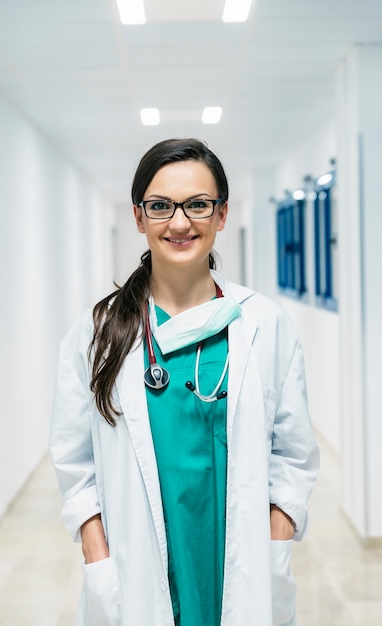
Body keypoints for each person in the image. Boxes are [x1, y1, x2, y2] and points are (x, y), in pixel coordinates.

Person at [50, 138, 319, 626]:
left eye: (197, 204)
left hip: (238, 562)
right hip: (138, 569)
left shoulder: (264, 324)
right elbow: (74, 462)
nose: (179, 223)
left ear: (221, 214)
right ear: (138, 217)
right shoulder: (97, 334)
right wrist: (95, 548)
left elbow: (295, 453)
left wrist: (277, 537)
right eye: (160, 206)